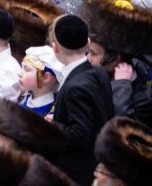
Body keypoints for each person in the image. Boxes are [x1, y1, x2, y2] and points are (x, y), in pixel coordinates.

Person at [82, 0, 152, 128]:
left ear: (115, 59)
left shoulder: (143, 103)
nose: (88, 58)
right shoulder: (98, 78)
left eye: (93, 53)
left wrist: (121, 86)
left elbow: (119, 133)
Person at [49, 14, 114, 184]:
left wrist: (52, 125)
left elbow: (80, 133)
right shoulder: (98, 71)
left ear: (55, 48)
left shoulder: (75, 87)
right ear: (88, 43)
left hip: (76, 171)